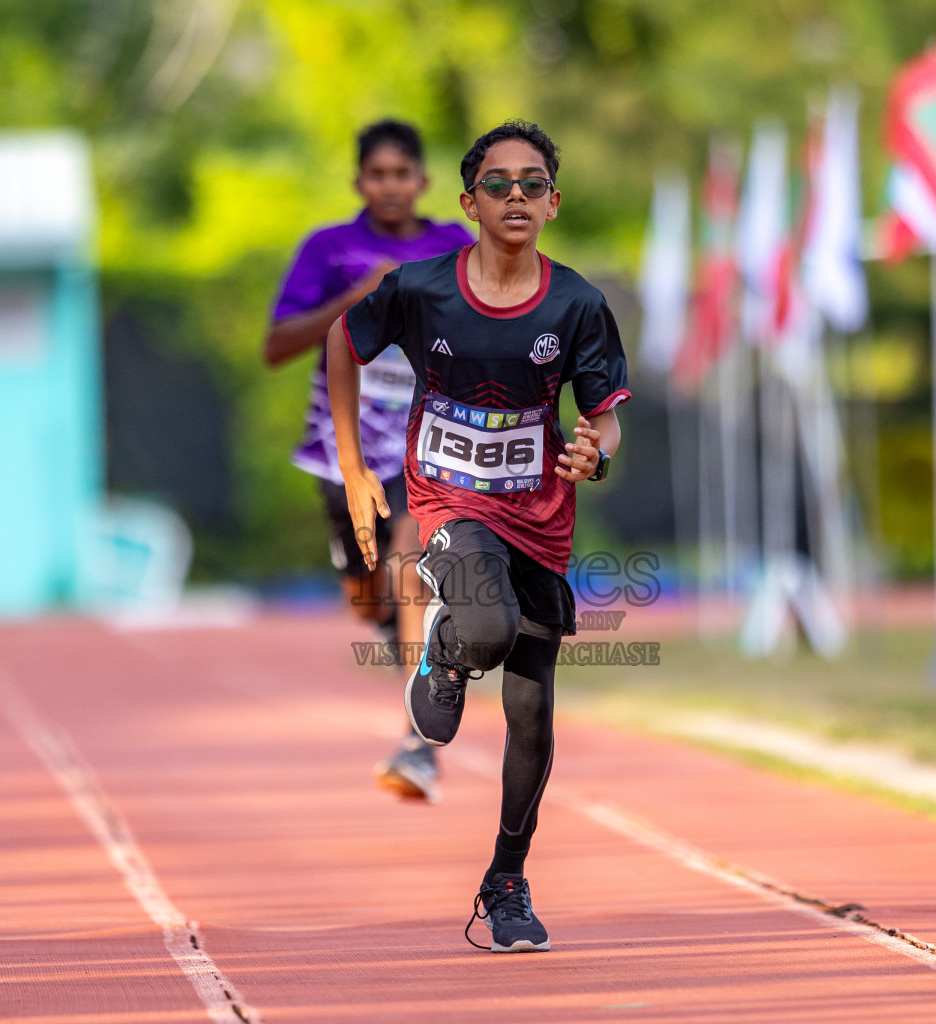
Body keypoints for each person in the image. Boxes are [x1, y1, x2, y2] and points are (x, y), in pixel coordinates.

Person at [325, 119, 629, 953]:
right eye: (499, 183)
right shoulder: (422, 289)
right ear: (468, 203)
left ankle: (506, 880)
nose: (517, 196)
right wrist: (354, 470)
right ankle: (447, 654)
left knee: (532, 716)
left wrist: (591, 452)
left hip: (541, 520)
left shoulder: (577, 305)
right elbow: (339, 342)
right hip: (449, 500)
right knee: (486, 626)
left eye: (533, 183)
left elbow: (604, 420)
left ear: (554, 203)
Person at [264, 119, 473, 803]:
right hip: (343, 449)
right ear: (360, 182)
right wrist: (356, 299)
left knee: (413, 551)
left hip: (428, 442)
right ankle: (388, 622)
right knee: (367, 600)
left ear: (423, 182)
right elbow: (275, 346)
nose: (389, 186)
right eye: (376, 175)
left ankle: (418, 739)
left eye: (401, 174)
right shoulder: (329, 249)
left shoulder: (452, 248)